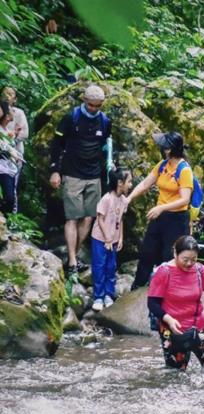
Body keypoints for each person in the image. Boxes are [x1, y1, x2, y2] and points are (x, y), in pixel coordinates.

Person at [49, 84, 112, 277]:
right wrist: (55, 171)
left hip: (93, 175)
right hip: (72, 173)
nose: (93, 108)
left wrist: (109, 170)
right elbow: (56, 145)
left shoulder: (105, 121)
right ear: (84, 100)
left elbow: (106, 147)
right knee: (72, 217)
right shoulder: (71, 118)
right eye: (91, 105)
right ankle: (74, 261)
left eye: (98, 106)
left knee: (88, 217)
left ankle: (72, 257)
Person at [147, 235, 204, 371]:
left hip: (199, 326)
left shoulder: (200, 270)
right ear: (175, 253)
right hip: (173, 328)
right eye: (185, 259)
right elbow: (152, 303)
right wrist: (169, 320)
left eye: (193, 259)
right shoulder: (164, 272)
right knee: (176, 374)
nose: (189, 263)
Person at [128, 132, 192, 289]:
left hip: (177, 219)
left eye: (163, 146)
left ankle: (168, 289)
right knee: (147, 252)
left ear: (169, 149)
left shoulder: (184, 170)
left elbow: (185, 199)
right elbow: (145, 184)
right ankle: (138, 285)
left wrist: (161, 207)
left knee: (169, 255)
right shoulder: (163, 165)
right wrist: (129, 199)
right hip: (159, 215)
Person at [90, 168, 132, 312]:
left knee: (111, 266)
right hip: (100, 239)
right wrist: (107, 237)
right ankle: (98, 297)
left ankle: (109, 294)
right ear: (120, 183)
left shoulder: (123, 200)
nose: (131, 185)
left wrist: (120, 237)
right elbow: (100, 219)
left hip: (112, 240)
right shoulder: (107, 199)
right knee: (99, 266)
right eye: (129, 182)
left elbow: (120, 220)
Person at [1, 87, 28, 213]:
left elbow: (24, 133)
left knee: (12, 188)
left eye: (11, 94)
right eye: (5, 93)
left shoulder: (19, 113)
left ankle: (12, 215)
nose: (7, 96)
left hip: (14, 157)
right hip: (4, 156)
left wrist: (12, 138)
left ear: (15, 99)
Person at [0, 102, 23, 214]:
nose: (12, 112)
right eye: (9, 111)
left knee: (10, 198)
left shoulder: (7, 132)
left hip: (9, 169)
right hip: (2, 168)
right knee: (7, 197)